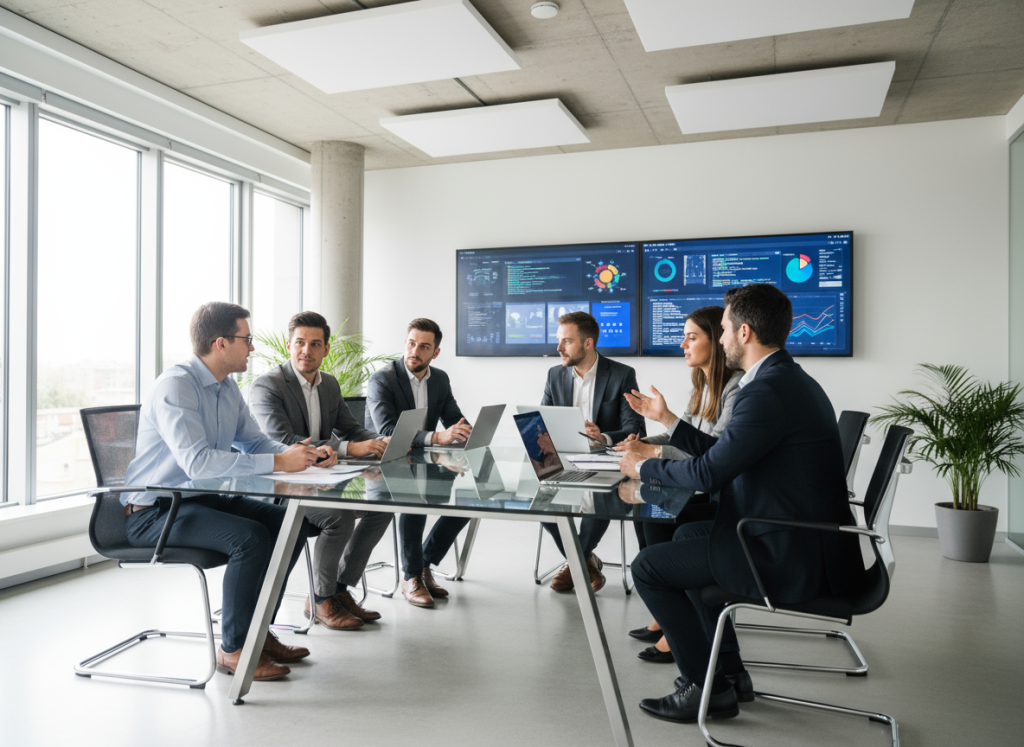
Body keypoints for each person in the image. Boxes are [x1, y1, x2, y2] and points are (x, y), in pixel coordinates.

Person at [617, 284, 865, 725]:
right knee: (688, 533)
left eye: (725, 328)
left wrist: (644, 468)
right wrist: (667, 424)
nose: (723, 336)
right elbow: (721, 453)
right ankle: (729, 672)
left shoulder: (765, 391)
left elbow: (709, 474)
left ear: (744, 332)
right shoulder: (784, 380)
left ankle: (706, 689)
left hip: (789, 551)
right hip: (799, 535)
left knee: (648, 568)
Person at [123, 302, 323, 682]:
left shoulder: (226, 387)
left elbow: (254, 442)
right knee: (250, 537)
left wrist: (301, 456)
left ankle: (258, 634)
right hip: (156, 512)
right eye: (247, 339)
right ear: (220, 343)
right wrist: (280, 463)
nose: (252, 347)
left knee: (291, 523)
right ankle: (234, 650)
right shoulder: (176, 387)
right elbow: (198, 464)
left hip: (201, 499)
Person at [250, 311, 392, 630]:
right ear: (289, 345)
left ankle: (338, 590)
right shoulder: (268, 385)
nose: (306, 350)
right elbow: (282, 441)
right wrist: (350, 449)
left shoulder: (328, 384)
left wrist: (382, 441)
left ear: (326, 349)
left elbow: (351, 428)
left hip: (321, 479)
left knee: (382, 507)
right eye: (300, 342)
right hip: (280, 485)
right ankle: (319, 599)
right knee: (338, 517)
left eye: (315, 344)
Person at [617, 306, 742, 663]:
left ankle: (676, 626)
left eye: (692, 337)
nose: (683, 345)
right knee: (650, 511)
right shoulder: (701, 384)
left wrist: (652, 451)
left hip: (722, 494)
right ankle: (668, 614)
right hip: (709, 488)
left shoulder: (736, 389)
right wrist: (640, 442)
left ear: (716, 341)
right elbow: (683, 436)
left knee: (661, 517)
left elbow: (711, 453)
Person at [366, 318, 472, 608]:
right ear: (405, 343)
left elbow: (454, 418)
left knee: (471, 500)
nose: (415, 351)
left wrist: (465, 432)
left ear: (435, 352)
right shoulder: (383, 379)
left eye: (424, 346)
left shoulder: (439, 379)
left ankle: (425, 563)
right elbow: (388, 431)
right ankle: (411, 576)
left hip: (423, 462)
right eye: (411, 343)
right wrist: (438, 437)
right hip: (384, 464)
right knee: (414, 498)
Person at [539, 311, 645, 593]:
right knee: (538, 501)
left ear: (588, 343)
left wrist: (604, 437)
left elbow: (635, 427)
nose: (559, 348)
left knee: (603, 500)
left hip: (606, 461)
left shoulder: (621, 374)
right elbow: (541, 422)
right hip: (565, 461)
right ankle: (584, 562)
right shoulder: (554, 375)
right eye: (559, 340)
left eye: (567, 341)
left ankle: (575, 563)